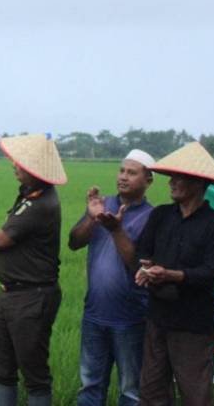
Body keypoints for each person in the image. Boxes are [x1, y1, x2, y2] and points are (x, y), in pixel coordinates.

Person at [0, 133, 66, 406]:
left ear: (35, 169)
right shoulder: (29, 196)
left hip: (32, 297)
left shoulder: (40, 204)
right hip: (10, 295)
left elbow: (1, 239)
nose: (14, 165)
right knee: (2, 369)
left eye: (20, 162)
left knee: (34, 374)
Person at [134, 142, 214, 405]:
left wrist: (167, 274)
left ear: (198, 183)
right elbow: (142, 251)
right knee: (152, 393)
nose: (171, 183)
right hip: (158, 318)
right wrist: (145, 268)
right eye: (172, 177)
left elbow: (208, 273)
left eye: (179, 178)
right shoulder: (161, 215)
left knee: (195, 396)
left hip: (194, 326)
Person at [68, 149, 156, 406]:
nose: (123, 177)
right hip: (94, 315)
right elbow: (74, 242)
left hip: (131, 319)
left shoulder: (151, 217)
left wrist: (116, 230)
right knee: (90, 387)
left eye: (132, 172)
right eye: (121, 171)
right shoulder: (103, 205)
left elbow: (137, 265)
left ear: (148, 180)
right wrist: (93, 218)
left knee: (130, 390)